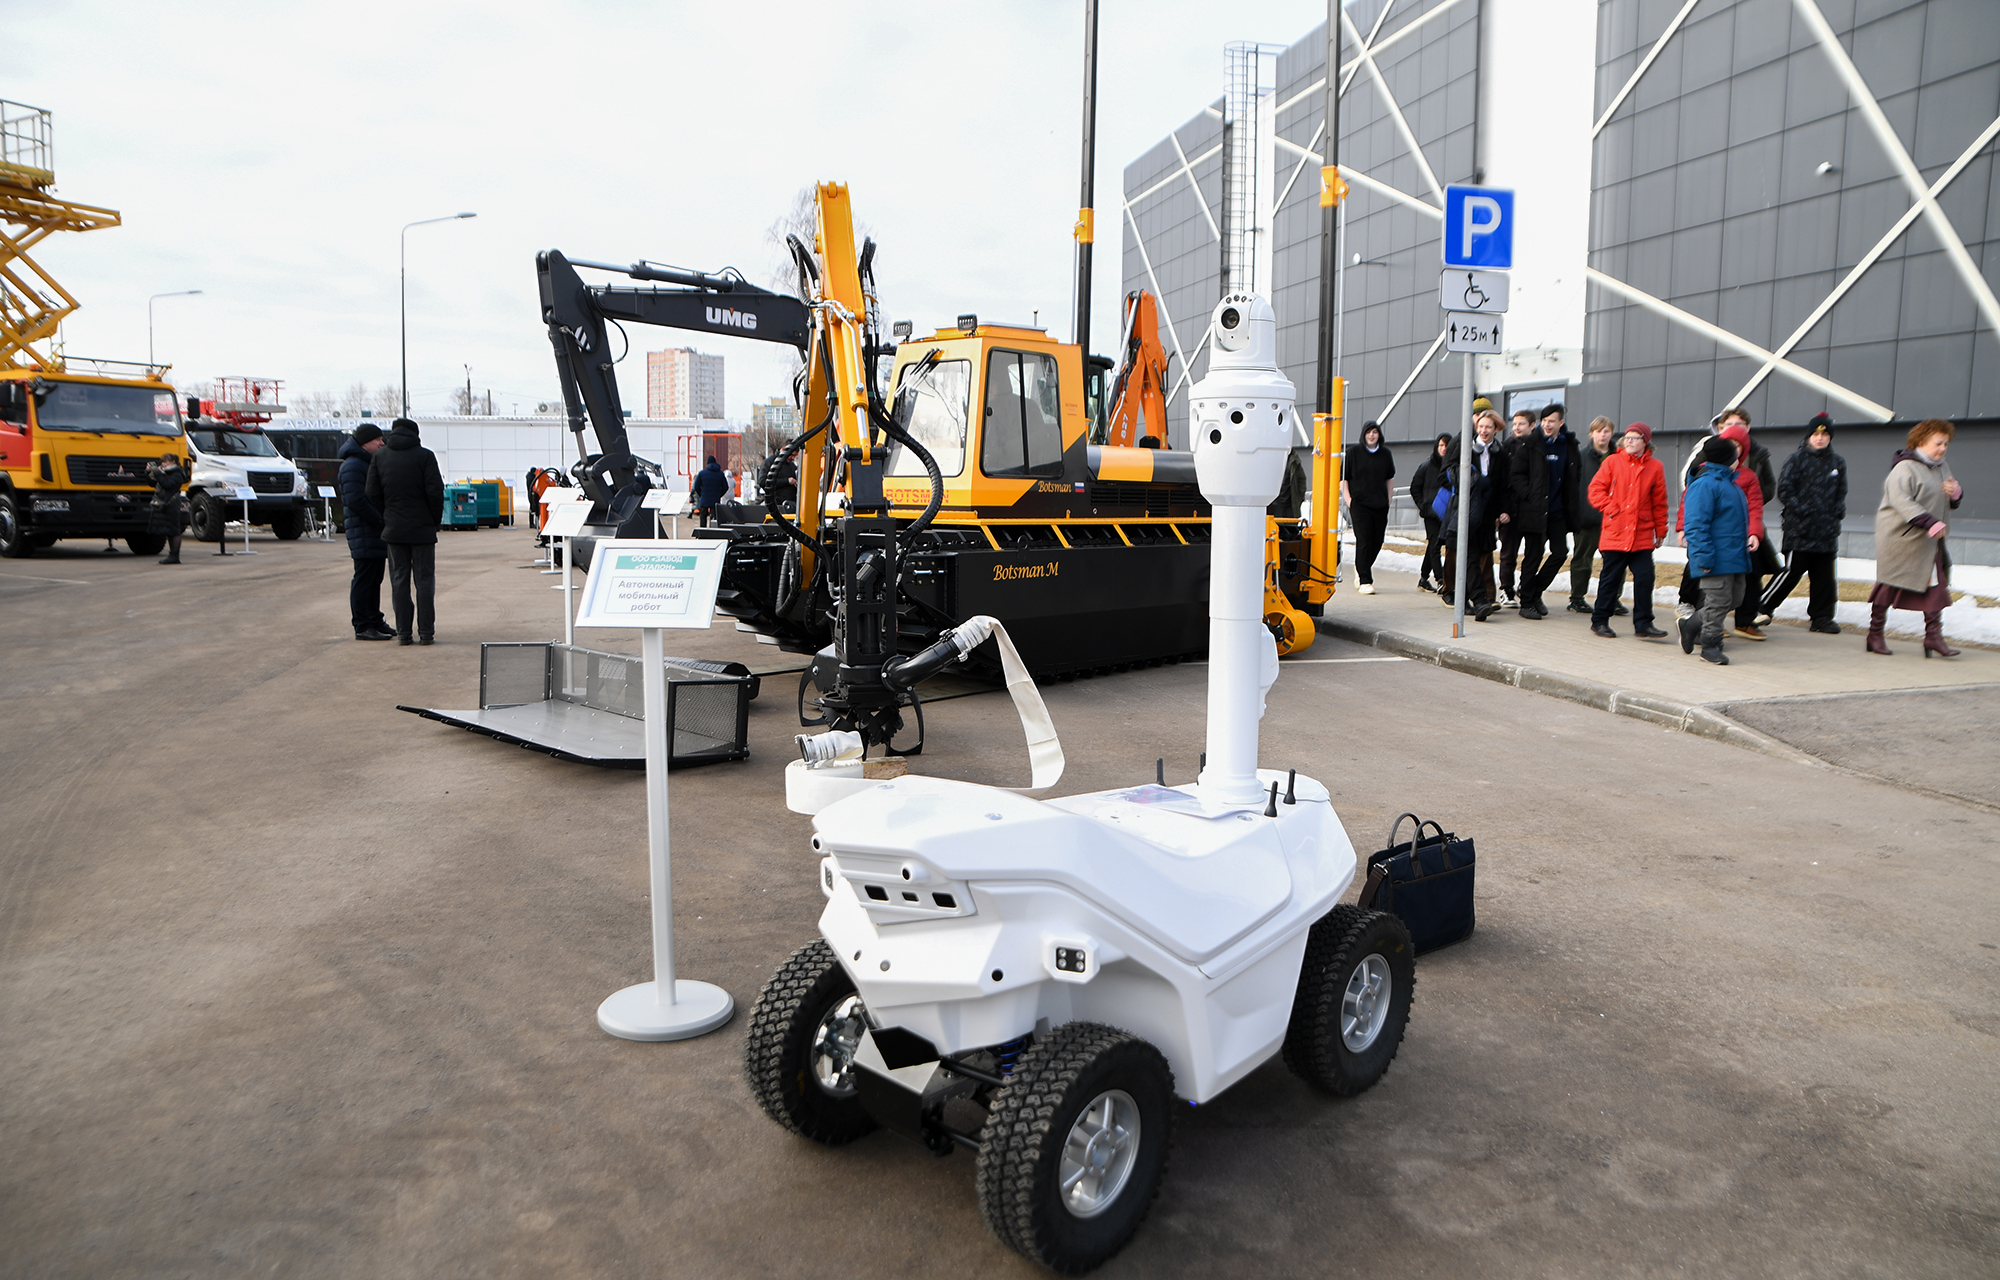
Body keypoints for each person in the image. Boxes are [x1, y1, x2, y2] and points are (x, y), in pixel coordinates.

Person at [1868, 419, 1962, 659]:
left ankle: (1933, 636)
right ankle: (1875, 634)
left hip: (1930, 540)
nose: (1942, 448)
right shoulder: (1905, 468)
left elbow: (1947, 499)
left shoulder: (1942, 467)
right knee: (1889, 583)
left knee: (1936, 585)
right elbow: (1902, 501)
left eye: (1946, 444)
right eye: (1938, 443)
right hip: (1901, 538)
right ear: (1922, 442)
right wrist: (1929, 522)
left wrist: (1955, 495)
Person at [1760, 412, 1847, 634]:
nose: (1820, 438)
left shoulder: (1838, 462)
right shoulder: (1796, 459)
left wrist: (1838, 512)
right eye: (1816, 434)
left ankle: (1822, 618)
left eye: (1825, 434)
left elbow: (1841, 492)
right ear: (1809, 436)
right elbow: (1785, 491)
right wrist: (1803, 511)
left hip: (1827, 531)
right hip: (1800, 529)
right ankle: (1761, 607)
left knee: (1825, 578)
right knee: (1791, 572)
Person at [365, 417, 444, 646]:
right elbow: (435, 492)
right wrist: (433, 521)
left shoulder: (380, 457)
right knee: (425, 581)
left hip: (394, 530)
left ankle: (403, 633)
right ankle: (426, 633)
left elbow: (371, 492)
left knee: (399, 581)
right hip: (422, 531)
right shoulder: (425, 456)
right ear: (415, 434)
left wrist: (387, 514)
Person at [1586, 423, 1669, 639]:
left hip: (1641, 533)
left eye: (1635, 437)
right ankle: (1600, 621)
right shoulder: (1612, 461)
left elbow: (1659, 502)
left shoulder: (1656, 467)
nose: (1629, 441)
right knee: (1610, 578)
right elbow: (1595, 490)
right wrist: (1612, 508)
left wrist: (1661, 529)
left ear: (1645, 441)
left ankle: (1643, 624)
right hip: (1616, 530)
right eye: (1627, 437)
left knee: (1645, 577)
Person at [1679, 435, 1755, 665]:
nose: (1738, 460)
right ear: (1726, 459)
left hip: (1733, 555)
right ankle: (1710, 644)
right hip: (1714, 556)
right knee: (1718, 601)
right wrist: (1703, 556)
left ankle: (1690, 624)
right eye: (1735, 456)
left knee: (1734, 599)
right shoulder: (1705, 485)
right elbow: (1696, 524)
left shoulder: (1729, 484)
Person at [1508, 402, 1580, 618]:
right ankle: (1527, 604)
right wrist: (1530, 495)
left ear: (1561, 423)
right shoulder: (1530, 445)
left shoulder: (1568, 445)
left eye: (1552, 421)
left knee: (1560, 552)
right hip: (1534, 510)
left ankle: (1533, 590)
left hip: (1557, 510)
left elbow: (1575, 476)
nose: (1548, 425)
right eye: (1545, 421)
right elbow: (1516, 475)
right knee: (1533, 555)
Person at [1439, 410, 1505, 622]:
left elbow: (1503, 485)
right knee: (1469, 555)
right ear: (1476, 427)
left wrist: (1502, 511)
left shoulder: (1499, 453)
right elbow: (1448, 472)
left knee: (1479, 556)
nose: (1485, 430)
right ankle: (1478, 600)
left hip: (1486, 513)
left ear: (1495, 430)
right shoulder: (1465, 447)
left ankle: (1477, 601)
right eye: (1481, 426)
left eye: (1489, 427)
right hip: (1465, 509)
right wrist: (1472, 479)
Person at [338, 425, 394, 640]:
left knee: (374, 578)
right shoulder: (353, 466)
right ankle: (362, 625)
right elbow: (355, 501)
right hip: (364, 531)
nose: (382, 443)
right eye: (377, 439)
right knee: (364, 578)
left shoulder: (366, 463)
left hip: (372, 532)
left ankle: (375, 620)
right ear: (364, 443)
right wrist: (379, 520)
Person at [1567, 417, 1616, 612]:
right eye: (1598, 431)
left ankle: (1613, 599)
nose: (1602, 435)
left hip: (1613, 520)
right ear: (1591, 434)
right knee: (1582, 560)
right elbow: (1573, 487)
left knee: (1614, 563)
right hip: (1586, 518)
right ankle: (1577, 598)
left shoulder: (1619, 457)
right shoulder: (1580, 456)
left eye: (1606, 431)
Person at [1341, 421, 1394, 594]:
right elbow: (1344, 478)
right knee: (1363, 539)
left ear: (1379, 435)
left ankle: (1360, 566)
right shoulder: (1353, 453)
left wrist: (1389, 498)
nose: (1371, 435)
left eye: (1375, 432)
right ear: (1363, 434)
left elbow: (1389, 477)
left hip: (1379, 504)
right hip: (1360, 505)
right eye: (1368, 432)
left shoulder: (1385, 454)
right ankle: (1365, 580)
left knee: (1377, 541)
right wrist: (1349, 500)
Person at [1407, 433, 1454, 592]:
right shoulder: (1427, 466)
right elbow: (1414, 487)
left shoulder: (1453, 467)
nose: (1444, 448)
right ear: (1436, 447)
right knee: (1435, 545)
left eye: (1447, 445)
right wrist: (1423, 506)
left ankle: (1423, 577)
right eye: (1441, 445)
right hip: (1431, 513)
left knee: (1435, 545)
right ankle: (1441, 579)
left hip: (1448, 513)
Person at [1495, 410, 1533, 606]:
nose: (1517, 427)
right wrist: (1503, 510)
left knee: (1532, 553)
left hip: (1531, 509)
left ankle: (1528, 590)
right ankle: (1506, 589)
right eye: (1515, 423)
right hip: (1510, 510)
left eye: (1522, 424)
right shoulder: (1505, 449)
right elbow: (1501, 482)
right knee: (1508, 552)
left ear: (1532, 426)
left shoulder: (1537, 447)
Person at [144, 452, 189, 565]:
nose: (163, 464)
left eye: (166, 461)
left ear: (173, 462)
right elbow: (152, 483)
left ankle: (175, 555)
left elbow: (167, 484)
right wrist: (149, 472)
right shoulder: (164, 472)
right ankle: (172, 555)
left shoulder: (177, 473)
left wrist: (157, 472)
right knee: (169, 530)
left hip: (172, 504)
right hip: (163, 503)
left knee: (174, 530)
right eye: (162, 461)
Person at [693, 455, 729, 527]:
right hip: (715, 500)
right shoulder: (720, 474)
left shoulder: (702, 473)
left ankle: (702, 534)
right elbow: (725, 487)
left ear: (707, 463)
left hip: (704, 499)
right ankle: (713, 534)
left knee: (703, 517)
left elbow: (696, 486)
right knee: (714, 519)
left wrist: (701, 494)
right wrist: (719, 494)